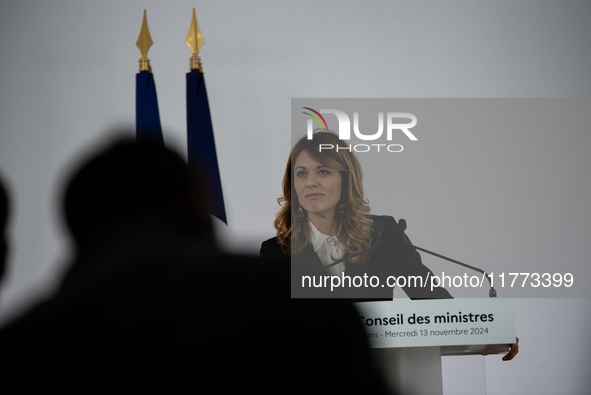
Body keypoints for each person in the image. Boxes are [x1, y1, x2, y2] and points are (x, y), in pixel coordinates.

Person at [261, 131, 452, 300]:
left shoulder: (383, 235)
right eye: (301, 173)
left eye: (323, 171)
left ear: (345, 183)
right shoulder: (275, 252)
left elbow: (438, 304)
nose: (310, 182)